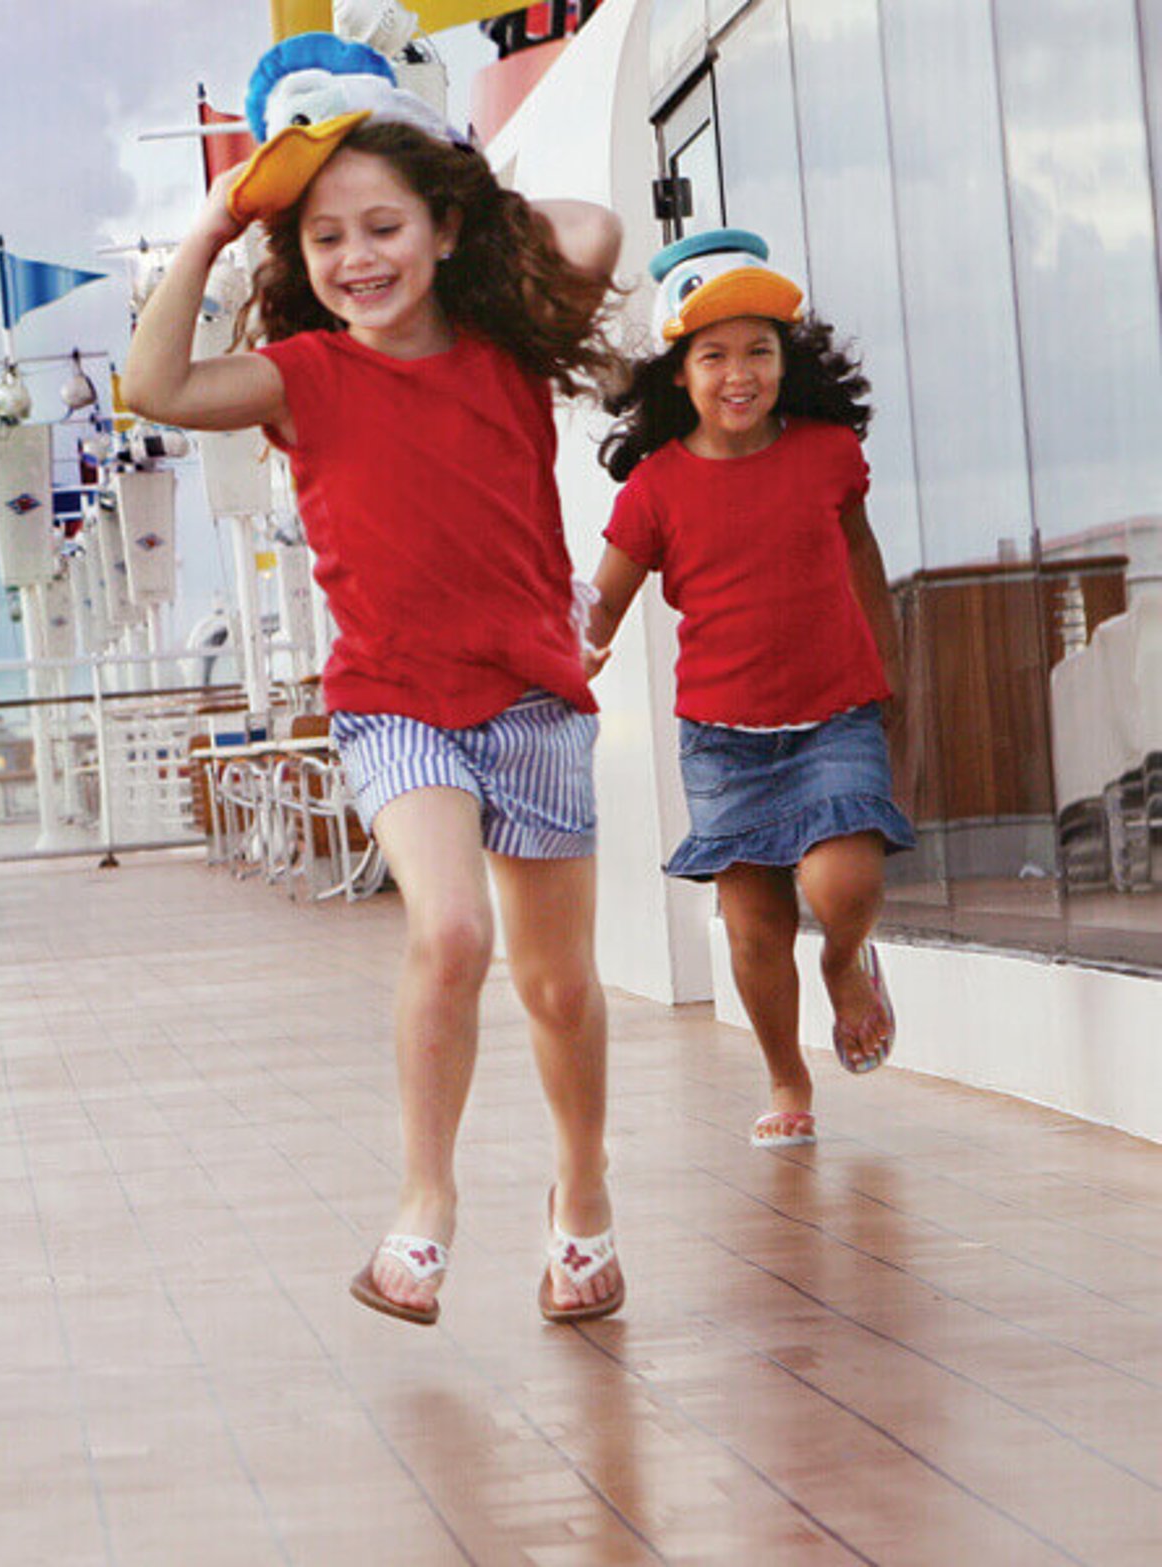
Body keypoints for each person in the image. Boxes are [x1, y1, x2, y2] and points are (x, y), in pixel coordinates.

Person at [123, 35, 628, 1326]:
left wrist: (436, 158)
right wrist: (222, 220)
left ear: (446, 225)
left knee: (560, 986)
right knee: (451, 928)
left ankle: (581, 1199)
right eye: (327, 238)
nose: (356, 260)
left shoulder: (512, 349)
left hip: (531, 697)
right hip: (393, 698)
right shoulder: (307, 376)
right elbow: (156, 384)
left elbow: (594, 226)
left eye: (386, 226)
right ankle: (425, 1205)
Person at [583, 230, 909, 1148]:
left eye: (759, 350)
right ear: (678, 374)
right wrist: (581, 650)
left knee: (841, 883)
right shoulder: (653, 489)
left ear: (784, 360)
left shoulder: (828, 453)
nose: (740, 372)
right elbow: (601, 602)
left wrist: (892, 672)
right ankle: (785, 1073)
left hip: (835, 714)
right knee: (755, 928)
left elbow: (860, 555)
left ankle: (847, 963)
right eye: (713, 354)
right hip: (723, 736)